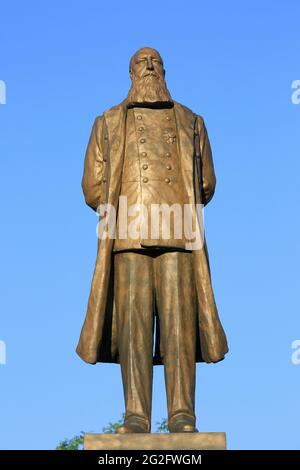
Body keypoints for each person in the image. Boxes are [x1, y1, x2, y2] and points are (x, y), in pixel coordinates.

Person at [76, 47, 228, 433]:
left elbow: (206, 183)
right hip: (128, 235)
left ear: (164, 70)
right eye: (141, 62)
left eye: (155, 61)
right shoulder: (108, 121)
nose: (148, 66)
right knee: (133, 329)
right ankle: (136, 415)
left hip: (178, 234)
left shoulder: (191, 121)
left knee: (180, 328)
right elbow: (92, 187)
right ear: (130, 73)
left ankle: (182, 414)